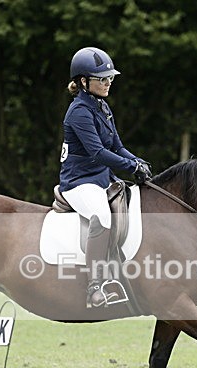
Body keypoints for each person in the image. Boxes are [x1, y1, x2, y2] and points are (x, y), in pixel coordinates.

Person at [59, 46, 152, 308]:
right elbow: (98, 152)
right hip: (79, 182)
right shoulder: (78, 111)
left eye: (110, 77)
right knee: (101, 217)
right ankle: (94, 286)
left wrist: (136, 161)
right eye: (102, 78)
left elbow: (117, 146)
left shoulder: (102, 106)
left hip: (101, 178)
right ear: (83, 81)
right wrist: (129, 166)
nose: (108, 82)